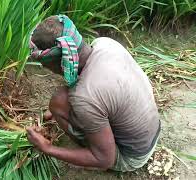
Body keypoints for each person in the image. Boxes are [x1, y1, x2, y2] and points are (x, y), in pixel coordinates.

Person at [26, 15, 161, 172]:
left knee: (59, 102)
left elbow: (105, 159)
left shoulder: (85, 96)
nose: (45, 69)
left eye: (45, 65)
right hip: (152, 134)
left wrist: (47, 148)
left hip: (132, 157)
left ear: (60, 64)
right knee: (69, 101)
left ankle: (89, 153)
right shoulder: (105, 44)